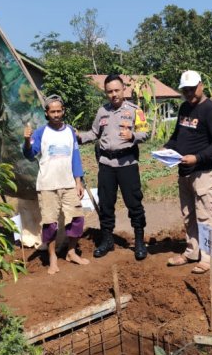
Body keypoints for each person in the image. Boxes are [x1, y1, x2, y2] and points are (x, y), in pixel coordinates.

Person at [78, 74, 149, 260]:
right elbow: (94, 132)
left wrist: (133, 136)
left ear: (123, 89)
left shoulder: (135, 110)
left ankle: (139, 241)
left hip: (127, 164)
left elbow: (146, 133)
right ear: (106, 92)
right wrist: (78, 137)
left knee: (134, 203)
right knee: (106, 204)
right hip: (106, 165)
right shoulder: (102, 111)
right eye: (109, 91)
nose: (114, 94)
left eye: (117, 90)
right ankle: (107, 240)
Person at [164, 70, 212, 274]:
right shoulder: (184, 108)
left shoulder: (210, 110)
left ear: (201, 85)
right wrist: (166, 148)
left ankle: (210, 256)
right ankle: (192, 251)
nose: (189, 93)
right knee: (189, 214)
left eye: (192, 89)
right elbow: (177, 136)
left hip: (204, 172)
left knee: (205, 215)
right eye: (185, 90)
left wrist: (198, 157)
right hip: (184, 171)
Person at [23, 95, 89, 274]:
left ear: (63, 111)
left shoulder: (70, 132)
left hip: (68, 184)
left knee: (76, 219)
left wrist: (78, 181)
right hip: (47, 185)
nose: (56, 114)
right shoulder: (40, 133)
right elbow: (30, 155)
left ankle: (71, 252)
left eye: (59, 111)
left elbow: (76, 157)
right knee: (50, 224)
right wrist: (26, 142)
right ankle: (52, 257)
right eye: (53, 111)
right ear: (47, 113)